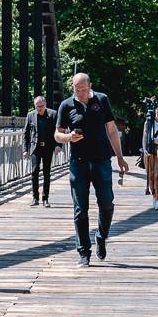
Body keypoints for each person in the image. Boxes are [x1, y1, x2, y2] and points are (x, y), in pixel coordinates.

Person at [54, 72, 130, 266]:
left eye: (83, 89)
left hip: (101, 160)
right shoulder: (66, 105)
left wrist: (120, 157)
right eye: (76, 89)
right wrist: (69, 137)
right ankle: (84, 252)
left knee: (107, 204)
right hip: (78, 163)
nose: (79, 93)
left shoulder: (102, 100)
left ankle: (101, 236)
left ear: (90, 86)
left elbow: (111, 130)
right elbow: (57, 134)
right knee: (80, 209)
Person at [23, 95, 56, 206]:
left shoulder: (53, 114)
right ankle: (35, 198)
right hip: (35, 148)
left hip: (48, 147)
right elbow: (26, 133)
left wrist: (58, 145)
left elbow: (58, 131)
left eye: (41, 106)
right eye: (37, 107)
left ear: (45, 104)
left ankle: (45, 198)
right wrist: (25, 149)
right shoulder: (30, 115)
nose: (40, 108)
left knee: (47, 173)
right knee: (34, 172)